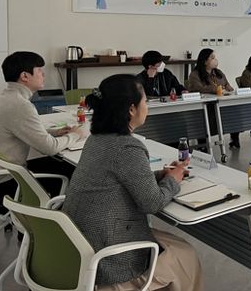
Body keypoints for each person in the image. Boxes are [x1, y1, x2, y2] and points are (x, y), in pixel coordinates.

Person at [62, 74, 203, 291]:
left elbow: (121, 179)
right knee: (186, 255)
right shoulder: (128, 148)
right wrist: (173, 180)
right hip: (107, 260)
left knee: (177, 247)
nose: (147, 106)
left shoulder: (95, 140)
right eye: (145, 101)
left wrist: (162, 175)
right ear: (131, 109)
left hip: (79, 245)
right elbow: (152, 203)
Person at [0, 51, 86, 207]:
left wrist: (55, 132)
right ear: (25, 76)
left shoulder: (6, 98)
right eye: (39, 70)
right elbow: (50, 148)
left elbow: (21, 130)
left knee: (59, 163)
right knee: (74, 171)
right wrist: (75, 135)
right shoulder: (20, 105)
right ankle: (56, 219)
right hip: (4, 185)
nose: (43, 74)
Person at [186, 49, 238, 147]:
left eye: (215, 58)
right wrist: (216, 89)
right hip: (204, 106)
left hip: (221, 103)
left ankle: (235, 138)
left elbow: (228, 86)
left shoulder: (219, 73)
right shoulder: (195, 74)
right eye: (212, 58)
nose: (215, 60)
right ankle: (203, 145)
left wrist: (230, 91)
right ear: (205, 61)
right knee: (204, 120)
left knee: (234, 112)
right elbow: (199, 88)